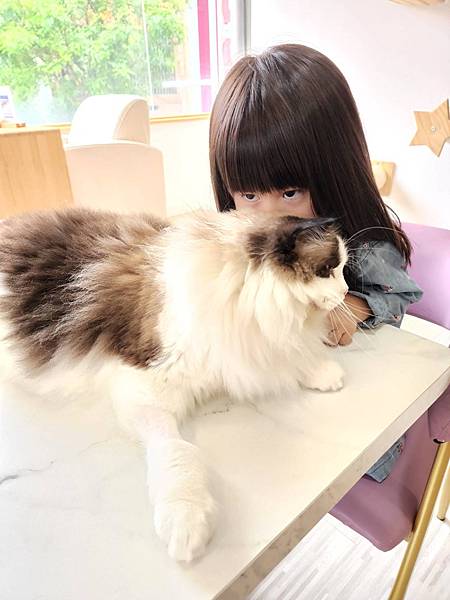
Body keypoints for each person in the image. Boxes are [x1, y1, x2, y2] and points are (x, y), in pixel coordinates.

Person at [209, 43, 422, 482]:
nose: (269, 216)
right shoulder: (243, 241)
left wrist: (355, 308)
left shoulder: (361, 243)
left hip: (347, 429)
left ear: (334, 172)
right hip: (273, 406)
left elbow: (401, 292)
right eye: (249, 195)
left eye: (290, 193)